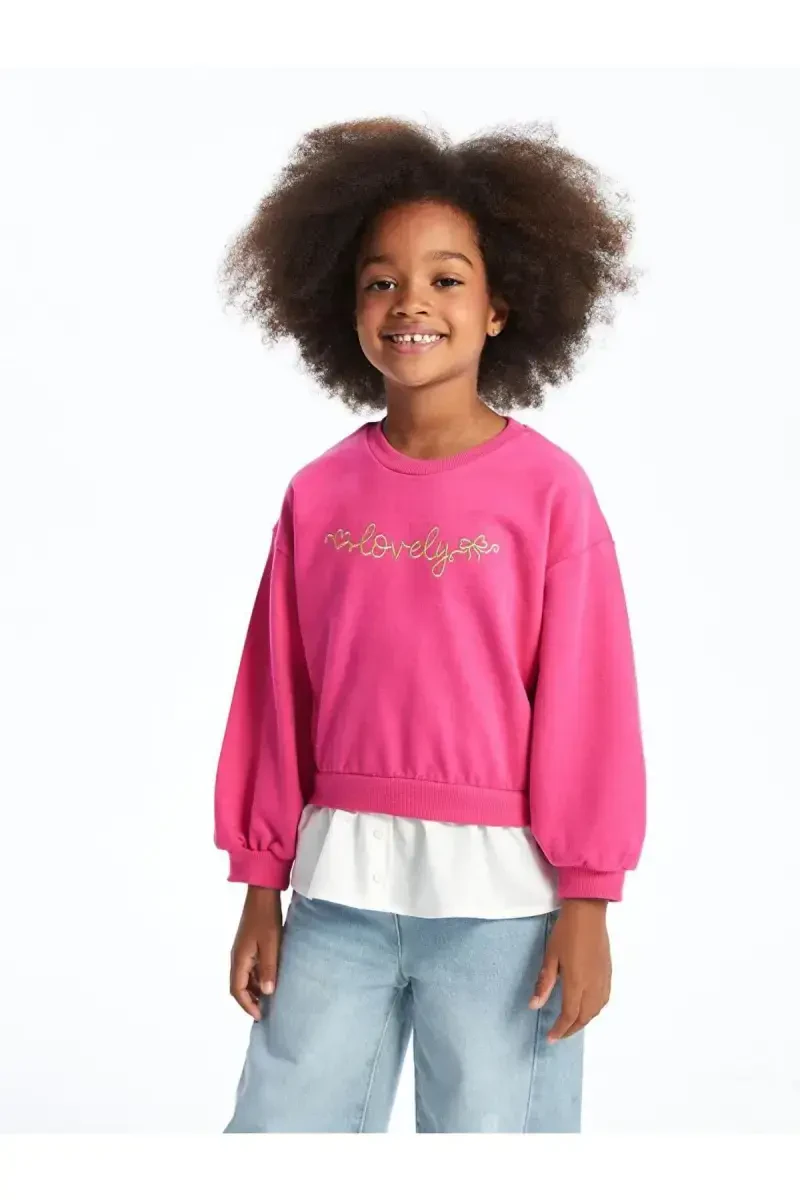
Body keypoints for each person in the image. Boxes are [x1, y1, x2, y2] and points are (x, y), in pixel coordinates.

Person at [212, 115, 647, 1134]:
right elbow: (275, 698)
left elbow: (588, 704)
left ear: (499, 307)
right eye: (381, 281)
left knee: (493, 1147)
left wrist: (588, 898)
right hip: (337, 895)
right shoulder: (318, 495)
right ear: (346, 306)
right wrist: (260, 883)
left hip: (505, 910)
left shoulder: (549, 494)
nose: (410, 301)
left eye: (446, 278)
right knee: (281, 1135)